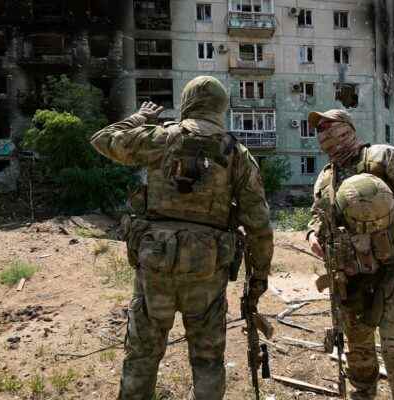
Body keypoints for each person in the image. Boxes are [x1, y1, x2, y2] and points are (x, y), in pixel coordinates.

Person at [89, 76, 273, 400]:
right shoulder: (237, 152)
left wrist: (140, 117)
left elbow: (103, 139)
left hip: (155, 263)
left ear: (187, 101)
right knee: (207, 361)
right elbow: (258, 225)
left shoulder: (161, 137)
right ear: (221, 107)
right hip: (207, 270)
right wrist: (257, 283)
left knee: (142, 355)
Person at [306, 109, 394, 400]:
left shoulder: (384, 158)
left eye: (330, 125)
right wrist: (313, 234)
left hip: (392, 271)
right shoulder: (326, 177)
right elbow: (318, 215)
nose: (324, 132)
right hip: (349, 277)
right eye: (319, 128)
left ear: (348, 128)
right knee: (359, 352)